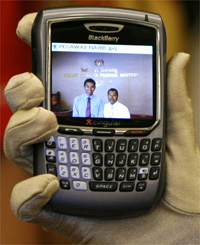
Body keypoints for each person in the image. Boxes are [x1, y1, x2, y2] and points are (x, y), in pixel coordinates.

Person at [3, 13, 200, 245]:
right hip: (75, 143)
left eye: (93, 87)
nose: (90, 89)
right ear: (85, 87)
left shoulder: (108, 105)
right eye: (87, 85)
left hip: (133, 163)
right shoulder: (78, 101)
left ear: (98, 89)